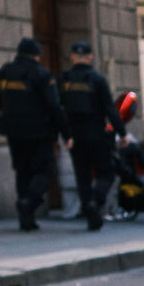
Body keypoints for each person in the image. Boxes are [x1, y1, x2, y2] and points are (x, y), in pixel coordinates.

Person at [0, 38, 66, 231]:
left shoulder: (2, 74)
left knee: (23, 172)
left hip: (14, 132)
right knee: (46, 171)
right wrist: (65, 134)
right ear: (36, 55)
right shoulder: (42, 74)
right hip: (39, 131)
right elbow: (54, 106)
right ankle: (29, 201)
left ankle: (26, 220)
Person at [56, 42, 119, 230]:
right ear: (91, 57)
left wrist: (64, 135)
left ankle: (88, 210)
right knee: (106, 172)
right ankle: (96, 201)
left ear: (72, 57)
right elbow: (109, 108)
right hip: (96, 134)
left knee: (82, 175)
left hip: (74, 136)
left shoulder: (63, 80)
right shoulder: (97, 79)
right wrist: (121, 132)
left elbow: (56, 109)